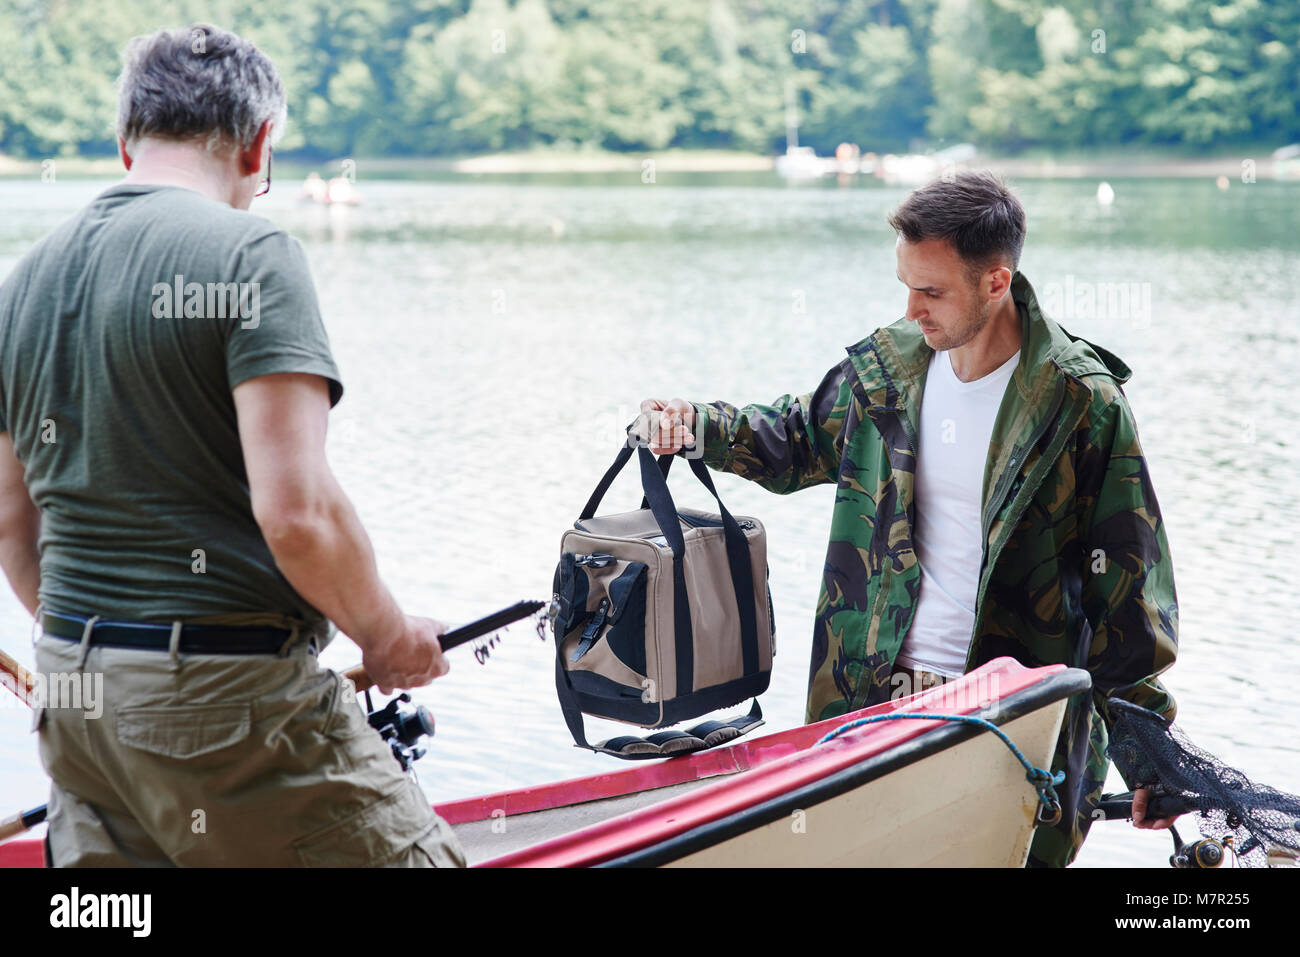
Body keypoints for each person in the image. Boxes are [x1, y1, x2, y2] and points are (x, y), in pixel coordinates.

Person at [0, 24, 465, 867]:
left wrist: (107, 659)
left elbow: (8, 523)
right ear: (259, 145)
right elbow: (298, 514)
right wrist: (388, 637)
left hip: (71, 700)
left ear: (126, 142)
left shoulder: (23, 282)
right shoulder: (253, 255)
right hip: (223, 705)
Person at [640, 170, 1180, 867]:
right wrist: (697, 425)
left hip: (1009, 716)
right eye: (906, 285)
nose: (913, 308)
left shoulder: (1080, 402)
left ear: (995, 282)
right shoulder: (890, 370)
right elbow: (797, 437)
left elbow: (1129, 588)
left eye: (932, 291)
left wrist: (1148, 755)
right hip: (869, 699)